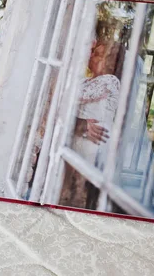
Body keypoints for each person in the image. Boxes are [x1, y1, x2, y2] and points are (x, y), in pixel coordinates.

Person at [59, 41, 122, 209]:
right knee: (66, 187)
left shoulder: (110, 81)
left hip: (94, 145)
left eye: (97, 54)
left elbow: (70, 95)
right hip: (77, 140)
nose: (91, 56)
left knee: (82, 187)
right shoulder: (86, 81)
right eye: (93, 52)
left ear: (110, 61)